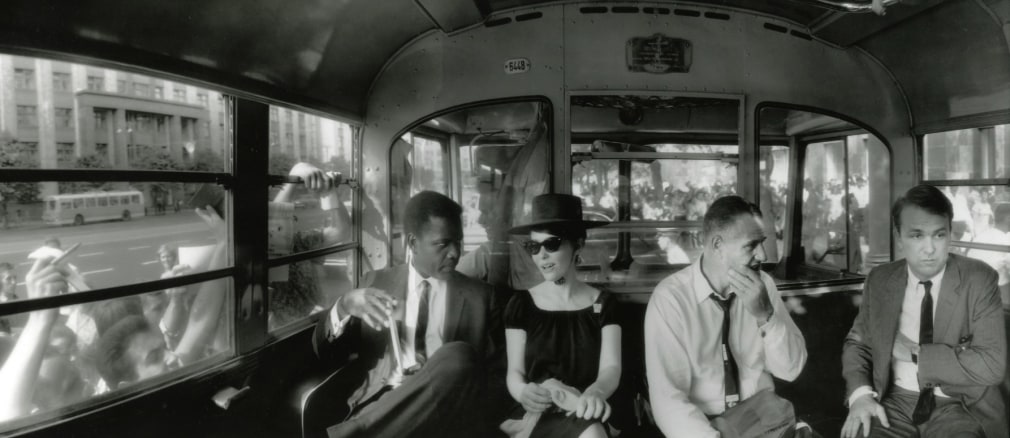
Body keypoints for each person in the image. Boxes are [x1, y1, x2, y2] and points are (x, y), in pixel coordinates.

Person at [312, 190, 500, 438]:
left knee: (457, 356)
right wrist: (344, 306)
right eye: (443, 244)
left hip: (451, 413)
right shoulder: (375, 282)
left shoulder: (482, 297)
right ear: (413, 243)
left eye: (458, 242)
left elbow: (496, 379)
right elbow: (323, 354)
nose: (455, 253)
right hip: (386, 406)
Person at [840, 184, 1007, 438]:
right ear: (899, 236)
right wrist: (861, 395)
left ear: (950, 234)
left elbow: (992, 365)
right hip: (893, 400)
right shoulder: (880, 280)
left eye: (939, 235)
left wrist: (916, 354)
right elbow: (858, 344)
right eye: (917, 236)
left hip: (961, 405)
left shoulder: (979, 279)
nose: (929, 249)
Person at [645, 195, 807, 438]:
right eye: (751, 245)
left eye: (762, 243)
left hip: (762, 417)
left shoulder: (764, 285)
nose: (762, 255)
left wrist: (766, 317)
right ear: (717, 246)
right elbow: (668, 400)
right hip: (701, 425)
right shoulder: (671, 299)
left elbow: (791, 369)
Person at [501, 193, 620, 438]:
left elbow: (611, 367)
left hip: (584, 406)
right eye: (533, 246)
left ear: (578, 244)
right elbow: (515, 372)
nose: (541, 255)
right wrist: (522, 392)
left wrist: (596, 392)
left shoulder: (604, 304)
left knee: (593, 432)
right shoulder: (521, 304)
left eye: (552, 244)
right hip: (535, 411)